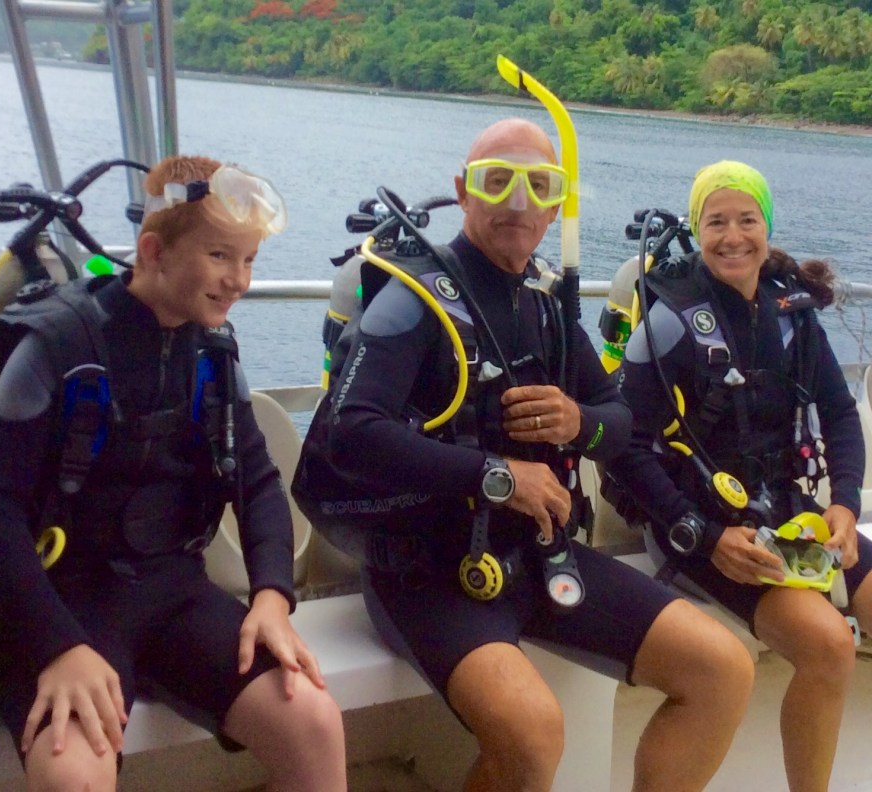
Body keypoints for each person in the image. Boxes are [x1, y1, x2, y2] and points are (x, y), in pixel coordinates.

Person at [294, 118, 755, 791]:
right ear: (463, 191)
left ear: (554, 206)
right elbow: (351, 431)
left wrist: (575, 422)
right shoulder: (414, 298)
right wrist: (500, 477)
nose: (516, 200)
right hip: (427, 573)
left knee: (722, 669)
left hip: (540, 556)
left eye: (537, 185)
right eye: (496, 181)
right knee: (533, 733)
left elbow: (620, 423)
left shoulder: (544, 303)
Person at [0, 155, 346, 792]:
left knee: (313, 721)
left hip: (174, 592)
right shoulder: (57, 346)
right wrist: (57, 646)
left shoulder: (213, 353)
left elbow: (257, 482)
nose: (240, 281)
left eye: (249, 260)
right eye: (222, 256)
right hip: (63, 602)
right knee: (72, 777)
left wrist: (273, 596)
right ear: (153, 250)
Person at [607, 159, 872, 792]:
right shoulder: (670, 319)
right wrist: (701, 535)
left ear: (767, 226)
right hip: (696, 525)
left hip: (786, 517)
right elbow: (625, 448)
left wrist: (845, 502)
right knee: (830, 645)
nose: (733, 236)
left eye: (747, 219)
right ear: (698, 230)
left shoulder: (792, 314)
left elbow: (837, 411)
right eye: (716, 221)